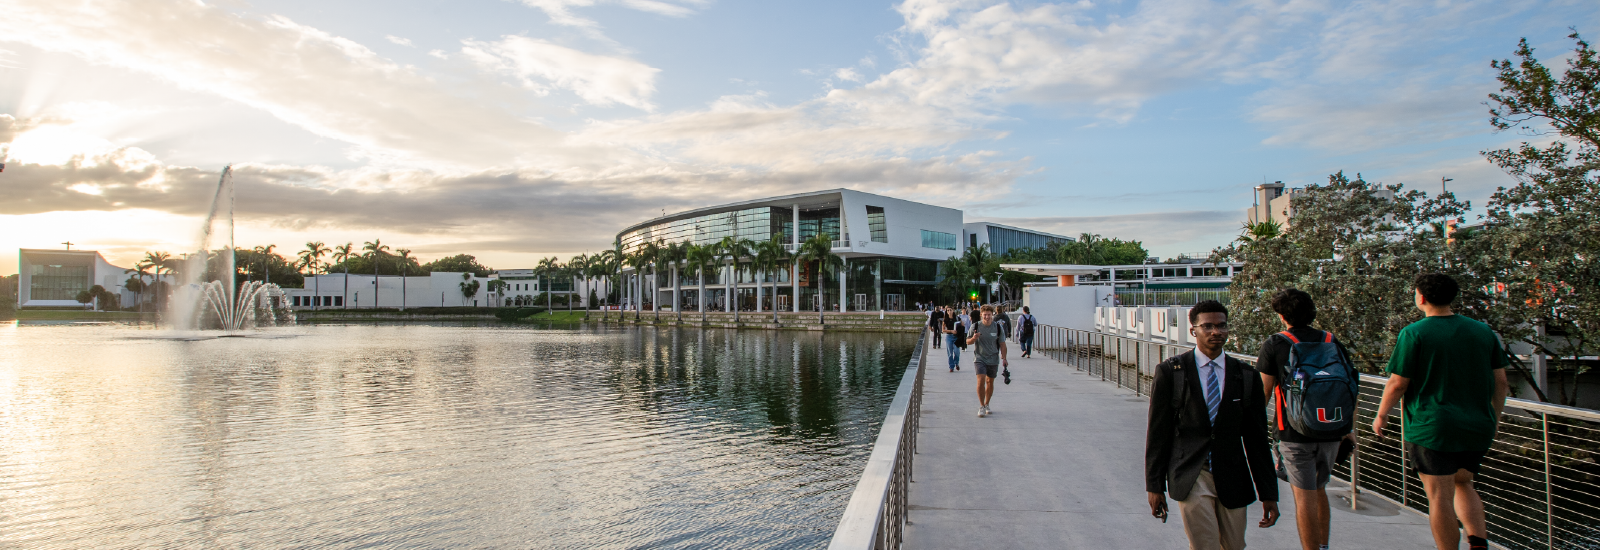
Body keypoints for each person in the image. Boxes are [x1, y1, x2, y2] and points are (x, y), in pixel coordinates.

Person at [1373, 274, 1508, 550]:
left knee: (1439, 497)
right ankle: (1478, 544)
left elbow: (1398, 383)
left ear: (1420, 297)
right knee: (1464, 483)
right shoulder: (1483, 331)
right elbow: (1501, 382)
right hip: (1477, 424)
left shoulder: (1415, 333)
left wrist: (1382, 414)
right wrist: (1494, 418)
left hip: (1432, 426)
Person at [1146, 300, 1279, 550]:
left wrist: (1269, 494)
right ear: (1194, 330)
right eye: (1207, 326)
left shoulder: (1246, 375)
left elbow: (1257, 438)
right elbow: (1157, 433)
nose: (1216, 331)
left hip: (1233, 474)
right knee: (1204, 545)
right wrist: (1154, 486)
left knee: (1235, 545)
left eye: (1221, 326)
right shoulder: (1172, 372)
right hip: (1192, 473)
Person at [1256, 289, 1356, 550]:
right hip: (1332, 429)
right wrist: (1348, 427)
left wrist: (1250, 427)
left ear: (1281, 316)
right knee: (1320, 488)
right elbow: (1350, 385)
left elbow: (1263, 393)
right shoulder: (1331, 340)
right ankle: (1323, 546)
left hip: (1293, 433)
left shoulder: (1277, 344)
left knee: (1304, 498)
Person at [966, 304, 1008, 417]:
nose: (987, 317)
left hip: (993, 358)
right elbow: (967, 341)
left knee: (990, 382)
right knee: (981, 380)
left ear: (992, 315)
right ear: (981, 315)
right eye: (985, 315)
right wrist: (974, 338)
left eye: (989, 315)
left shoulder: (998, 327)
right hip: (980, 357)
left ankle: (987, 403)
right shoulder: (975, 326)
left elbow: (1002, 344)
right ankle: (981, 406)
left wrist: (1004, 358)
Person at [941, 305, 962, 372]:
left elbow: (962, 325)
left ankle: (956, 363)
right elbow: (943, 330)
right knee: (950, 352)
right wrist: (951, 331)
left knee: (957, 351)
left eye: (950, 310)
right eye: (948, 310)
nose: (949, 311)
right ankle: (951, 366)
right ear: (946, 312)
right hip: (949, 336)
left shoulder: (957, 318)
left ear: (953, 311)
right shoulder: (945, 320)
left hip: (956, 336)